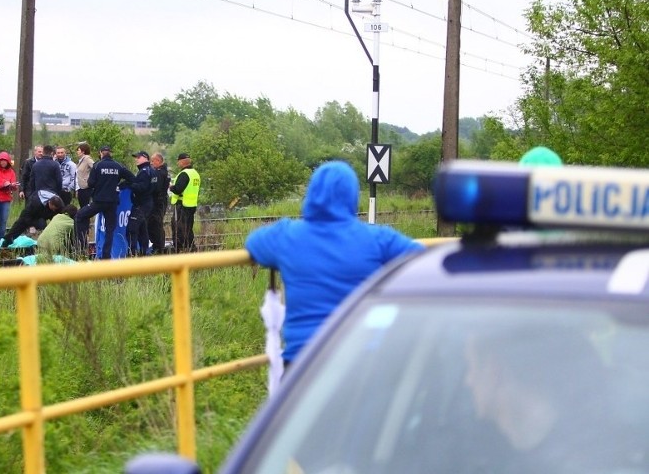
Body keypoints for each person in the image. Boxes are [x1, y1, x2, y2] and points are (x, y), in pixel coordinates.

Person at [245, 161, 423, 366]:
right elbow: (423, 260)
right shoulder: (378, 239)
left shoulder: (286, 236)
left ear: (311, 194)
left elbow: (253, 242)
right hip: (361, 361)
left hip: (302, 363)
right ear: (352, 196)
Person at [464, 325, 639, 473]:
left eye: (471, 367)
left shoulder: (596, 462)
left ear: (494, 370)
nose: (468, 381)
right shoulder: (480, 454)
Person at [74, 145, 135, 260]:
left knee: (80, 216)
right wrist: (119, 185)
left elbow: (91, 183)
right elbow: (132, 178)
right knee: (109, 230)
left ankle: (81, 249)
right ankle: (106, 256)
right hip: (112, 203)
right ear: (110, 153)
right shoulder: (118, 166)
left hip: (98, 201)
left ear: (101, 153)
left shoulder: (97, 165)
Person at [0, 145, 63, 248]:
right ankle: (60, 243)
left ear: (44, 152)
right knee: (59, 220)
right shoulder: (55, 165)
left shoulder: (36, 165)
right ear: (52, 153)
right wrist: (56, 196)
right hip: (52, 198)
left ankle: (7, 242)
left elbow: (31, 182)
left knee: (22, 221)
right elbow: (59, 182)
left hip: (37, 198)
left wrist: (33, 195)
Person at [169, 152, 201, 253]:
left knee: (179, 228)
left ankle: (179, 249)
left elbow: (178, 189)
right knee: (188, 228)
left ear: (182, 162)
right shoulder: (195, 174)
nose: (178, 163)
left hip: (182, 205)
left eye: (178, 161)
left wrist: (171, 187)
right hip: (191, 205)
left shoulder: (184, 174)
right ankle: (191, 248)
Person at [125, 151, 154, 256]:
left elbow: (142, 187)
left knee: (131, 229)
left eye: (138, 157)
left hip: (141, 204)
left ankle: (132, 254)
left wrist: (130, 184)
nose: (136, 159)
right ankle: (144, 253)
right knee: (142, 229)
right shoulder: (150, 170)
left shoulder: (144, 172)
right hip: (146, 203)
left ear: (145, 158)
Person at [148, 152, 170, 254]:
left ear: (158, 161)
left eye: (153, 161)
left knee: (156, 224)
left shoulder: (160, 173)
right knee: (154, 224)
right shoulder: (162, 172)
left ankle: (158, 247)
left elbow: (156, 188)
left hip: (159, 202)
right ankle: (158, 246)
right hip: (160, 201)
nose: (151, 163)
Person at [75, 141, 95, 208]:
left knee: (85, 208)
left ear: (83, 151)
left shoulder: (87, 159)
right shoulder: (81, 160)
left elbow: (95, 167)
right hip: (81, 188)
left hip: (86, 188)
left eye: (78, 150)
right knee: (82, 207)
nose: (77, 152)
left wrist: (90, 179)